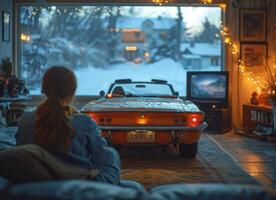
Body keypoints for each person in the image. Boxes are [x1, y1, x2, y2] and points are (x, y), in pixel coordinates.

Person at [16, 66, 120, 184]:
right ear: (73, 92)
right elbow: (106, 165)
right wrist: (111, 152)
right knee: (111, 156)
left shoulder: (24, 122)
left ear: (43, 90)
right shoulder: (85, 123)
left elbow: (22, 160)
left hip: (34, 189)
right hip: (79, 189)